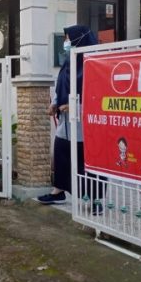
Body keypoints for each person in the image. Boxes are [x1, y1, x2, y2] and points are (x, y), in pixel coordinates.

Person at [37, 25, 105, 211]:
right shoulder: (69, 61)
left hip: (86, 126)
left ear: (80, 39)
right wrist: (55, 104)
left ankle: (95, 200)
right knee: (61, 154)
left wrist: (77, 107)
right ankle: (58, 191)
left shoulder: (94, 63)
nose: (66, 42)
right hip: (66, 123)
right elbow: (61, 86)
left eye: (69, 38)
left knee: (89, 162)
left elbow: (98, 96)